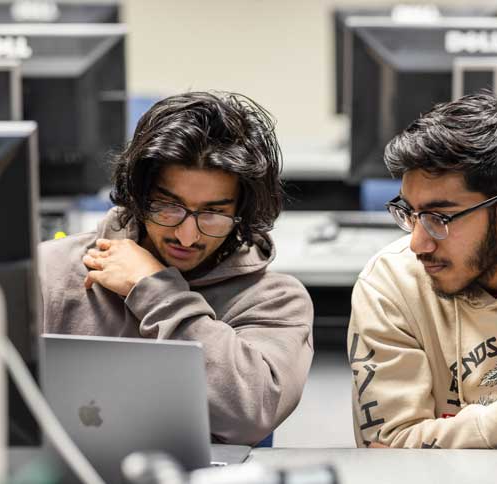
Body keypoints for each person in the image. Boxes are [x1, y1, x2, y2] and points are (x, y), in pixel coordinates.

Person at [39, 91, 314, 445]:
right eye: (168, 206)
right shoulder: (52, 271)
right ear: (138, 195)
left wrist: (154, 290)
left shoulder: (274, 301)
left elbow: (251, 413)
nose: (186, 236)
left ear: (242, 213)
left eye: (213, 214)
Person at [348, 91, 497, 449]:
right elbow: (388, 447)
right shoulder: (390, 283)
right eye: (412, 214)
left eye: (440, 218)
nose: (419, 243)